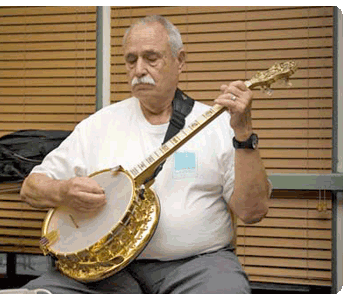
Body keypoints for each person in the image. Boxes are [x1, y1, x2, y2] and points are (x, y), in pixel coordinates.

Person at [19, 15, 271, 294]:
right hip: (102, 270)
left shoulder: (220, 125)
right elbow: (31, 187)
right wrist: (63, 190)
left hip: (197, 266)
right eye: (131, 60)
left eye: (151, 58)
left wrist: (244, 135)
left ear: (180, 61)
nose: (139, 69)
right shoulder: (98, 125)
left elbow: (252, 212)